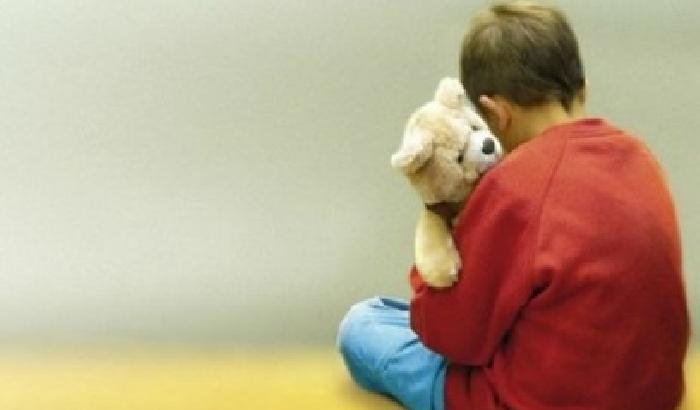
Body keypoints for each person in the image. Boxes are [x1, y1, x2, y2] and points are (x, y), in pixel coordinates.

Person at [337, 1, 690, 409]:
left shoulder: (516, 185)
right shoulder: (641, 158)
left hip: (531, 401)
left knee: (364, 324)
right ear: (583, 88)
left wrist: (445, 225)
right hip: (654, 395)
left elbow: (452, 338)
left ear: (495, 113)